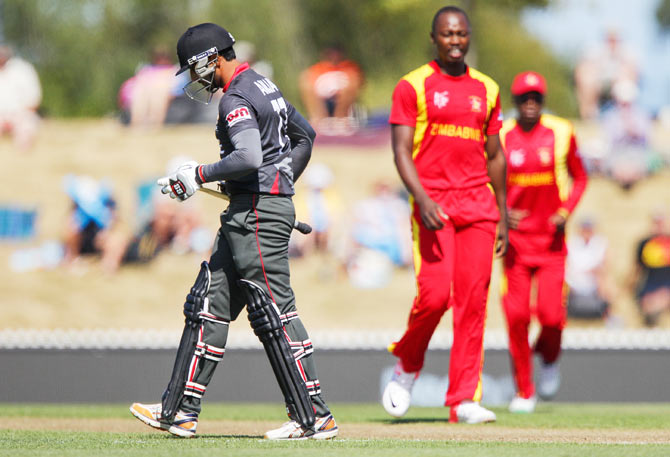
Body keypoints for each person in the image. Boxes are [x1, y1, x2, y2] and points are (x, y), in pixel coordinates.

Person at [129, 23, 337, 440]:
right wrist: (277, 181)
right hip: (253, 210)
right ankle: (179, 412)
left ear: (212, 59)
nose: (194, 79)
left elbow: (246, 156)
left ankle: (314, 417)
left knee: (273, 311)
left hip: (258, 216)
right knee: (207, 304)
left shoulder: (236, 97)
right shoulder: (264, 85)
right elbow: (305, 136)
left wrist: (200, 173)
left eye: (194, 68)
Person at [381, 6, 508, 424]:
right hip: (434, 205)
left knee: (473, 302)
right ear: (433, 38)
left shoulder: (487, 89)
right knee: (435, 296)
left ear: (469, 37)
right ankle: (408, 364)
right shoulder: (412, 85)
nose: (455, 40)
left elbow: (495, 155)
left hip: (478, 206)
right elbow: (401, 151)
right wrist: (422, 197)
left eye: (461, 33)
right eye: (447, 34)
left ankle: (463, 400)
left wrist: (503, 213)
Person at [499, 71, 588, 413]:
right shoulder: (502, 135)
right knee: (517, 317)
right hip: (516, 246)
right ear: (516, 101)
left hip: (552, 244)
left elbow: (580, 177)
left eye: (536, 97)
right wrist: (502, 211)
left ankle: (549, 358)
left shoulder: (563, 131)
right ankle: (524, 391)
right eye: (524, 98)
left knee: (551, 317)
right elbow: (486, 178)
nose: (530, 103)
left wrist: (566, 210)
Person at [298, 44, 363, 135]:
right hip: (321, 100)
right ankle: (317, 120)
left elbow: (357, 83)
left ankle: (341, 119)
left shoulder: (349, 67)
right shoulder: (319, 68)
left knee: (351, 84)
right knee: (306, 82)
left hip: (342, 100)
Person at [574, 28, 638, 120]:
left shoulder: (627, 53)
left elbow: (633, 71)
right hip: (598, 85)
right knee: (588, 82)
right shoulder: (595, 52)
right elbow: (581, 70)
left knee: (625, 84)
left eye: (614, 39)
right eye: (609, 39)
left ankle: (625, 119)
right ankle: (588, 117)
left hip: (618, 85)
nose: (612, 42)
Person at [565, 217, 611, 320]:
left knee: (605, 282)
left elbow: (604, 266)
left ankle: (607, 317)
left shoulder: (600, 243)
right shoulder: (571, 243)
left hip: (594, 283)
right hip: (573, 282)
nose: (587, 231)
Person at [631, 211, 670, 327]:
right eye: (656, 223)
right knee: (649, 306)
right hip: (649, 287)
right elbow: (636, 270)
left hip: (666, 287)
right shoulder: (644, 243)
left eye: (661, 222)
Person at [0, 45, 42, 150]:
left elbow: (34, 100)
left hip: (21, 114)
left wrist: (17, 116)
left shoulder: (23, 70)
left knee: (27, 127)